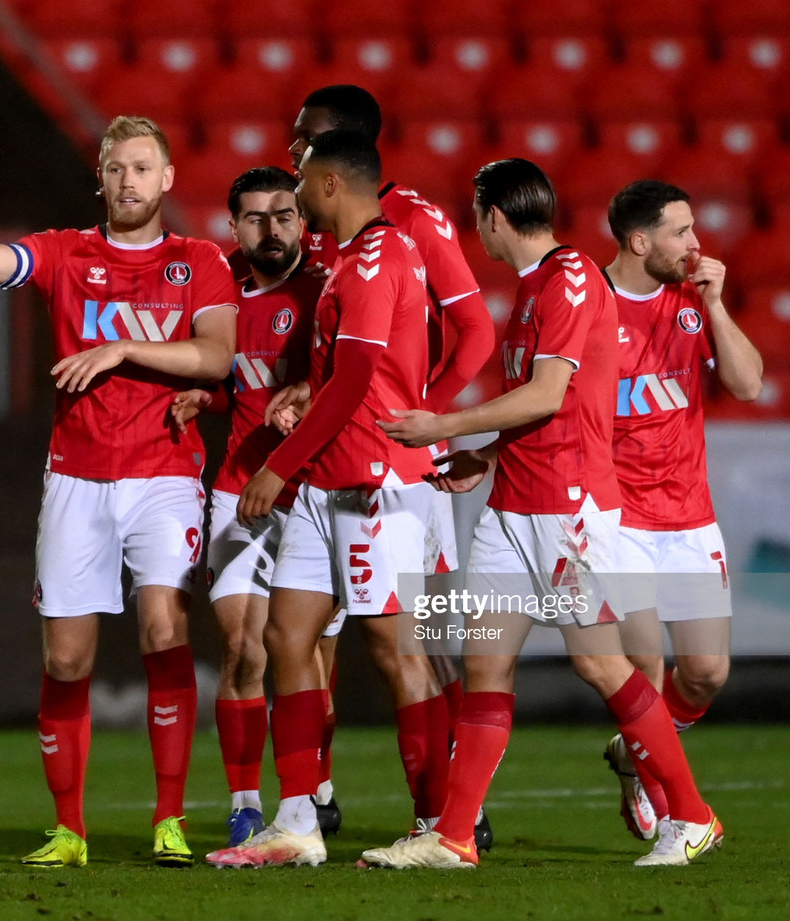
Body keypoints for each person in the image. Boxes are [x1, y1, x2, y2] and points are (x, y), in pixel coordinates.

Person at [0, 116, 237, 868]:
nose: (129, 182)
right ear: (101, 178)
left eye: (143, 168)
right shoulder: (64, 252)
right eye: (116, 168)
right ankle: (70, 828)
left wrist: (121, 347)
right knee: (69, 657)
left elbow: (216, 357)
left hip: (165, 476)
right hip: (77, 476)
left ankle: (170, 820)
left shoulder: (199, 261)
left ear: (167, 177)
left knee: (162, 629)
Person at [365, 158, 722, 869]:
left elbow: (548, 395)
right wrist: (486, 454)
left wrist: (443, 428)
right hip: (513, 505)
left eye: (478, 217)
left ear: (493, 216)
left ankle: (693, 814)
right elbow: (540, 407)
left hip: (570, 508)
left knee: (598, 661)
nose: (479, 232)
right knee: (486, 661)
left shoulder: (569, 279)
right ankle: (455, 835)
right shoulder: (532, 288)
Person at [206, 130, 451, 868]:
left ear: (331, 184)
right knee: (284, 637)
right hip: (325, 480)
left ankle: (438, 821)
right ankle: (297, 820)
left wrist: (277, 465)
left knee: (394, 649)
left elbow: (352, 382)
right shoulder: (349, 260)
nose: (298, 199)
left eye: (304, 185)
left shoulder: (375, 262)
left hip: (369, 480)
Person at [285, 82, 496, 849]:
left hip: (391, 460)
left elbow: (472, 331)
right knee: (310, 630)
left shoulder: (412, 221)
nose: (290, 151)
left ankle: (452, 803)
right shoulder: (323, 228)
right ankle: (313, 799)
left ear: (339, 148)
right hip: (330, 452)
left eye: (303, 139)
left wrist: (426, 422)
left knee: (414, 637)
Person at [600, 179, 762, 841]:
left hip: (690, 517)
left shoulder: (689, 305)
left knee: (706, 672)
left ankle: (632, 748)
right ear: (641, 241)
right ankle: (671, 808)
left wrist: (717, 306)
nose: (697, 245)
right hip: (618, 523)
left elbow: (748, 383)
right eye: (682, 232)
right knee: (644, 668)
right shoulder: (587, 307)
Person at [171, 166, 321, 848]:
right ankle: (245, 801)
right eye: (255, 217)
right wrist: (208, 398)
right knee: (241, 647)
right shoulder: (219, 293)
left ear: (303, 217)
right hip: (238, 489)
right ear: (234, 226)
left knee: (311, 655)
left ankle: (317, 790)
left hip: (316, 495)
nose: (272, 228)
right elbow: (232, 381)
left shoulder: (330, 287)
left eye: (283, 214)